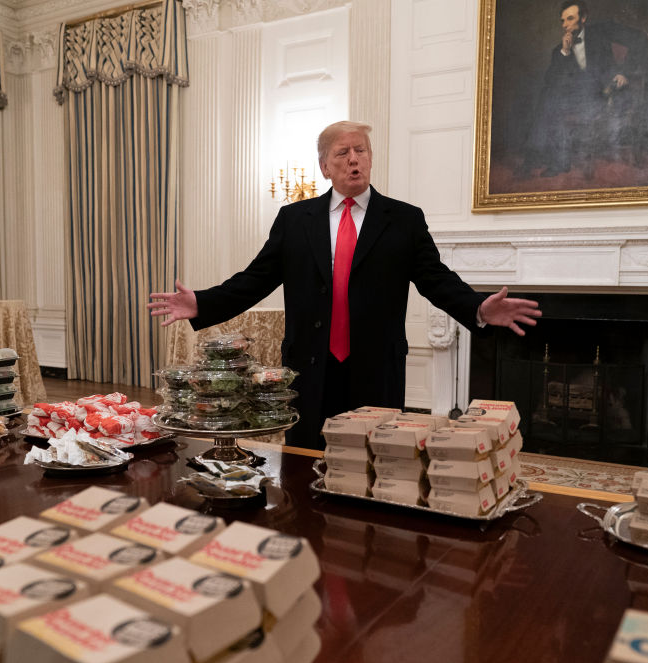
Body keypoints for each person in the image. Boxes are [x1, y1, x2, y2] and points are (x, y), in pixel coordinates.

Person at [148, 120, 541, 449]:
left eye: (362, 150)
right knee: (305, 462)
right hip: (310, 365)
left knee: (375, 459)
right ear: (324, 166)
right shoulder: (295, 219)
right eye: (343, 152)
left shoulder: (403, 219)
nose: (354, 159)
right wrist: (203, 303)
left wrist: (477, 307)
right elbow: (256, 278)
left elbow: (435, 279)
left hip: (376, 366)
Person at [518, 1, 647, 178]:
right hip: (576, 98)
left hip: (604, 93)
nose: (565, 25)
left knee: (550, 99)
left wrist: (624, 72)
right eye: (562, 21)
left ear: (584, 18)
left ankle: (535, 159)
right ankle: (556, 162)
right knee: (549, 95)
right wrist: (565, 52)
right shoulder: (559, 50)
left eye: (570, 18)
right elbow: (550, 80)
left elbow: (640, 38)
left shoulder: (601, 32)